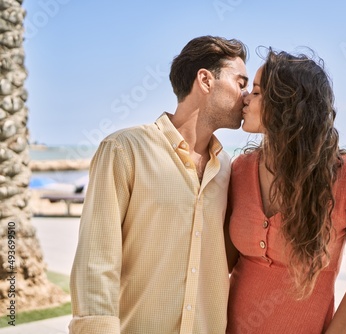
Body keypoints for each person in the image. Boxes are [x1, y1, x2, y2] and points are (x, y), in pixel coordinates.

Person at [69, 35, 248, 334]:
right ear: (205, 80)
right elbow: (96, 260)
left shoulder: (227, 168)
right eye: (240, 83)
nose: (246, 95)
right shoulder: (124, 150)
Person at [225, 49, 346, 333]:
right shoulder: (240, 169)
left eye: (258, 92)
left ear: (287, 105)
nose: (245, 98)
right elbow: (219, 264)